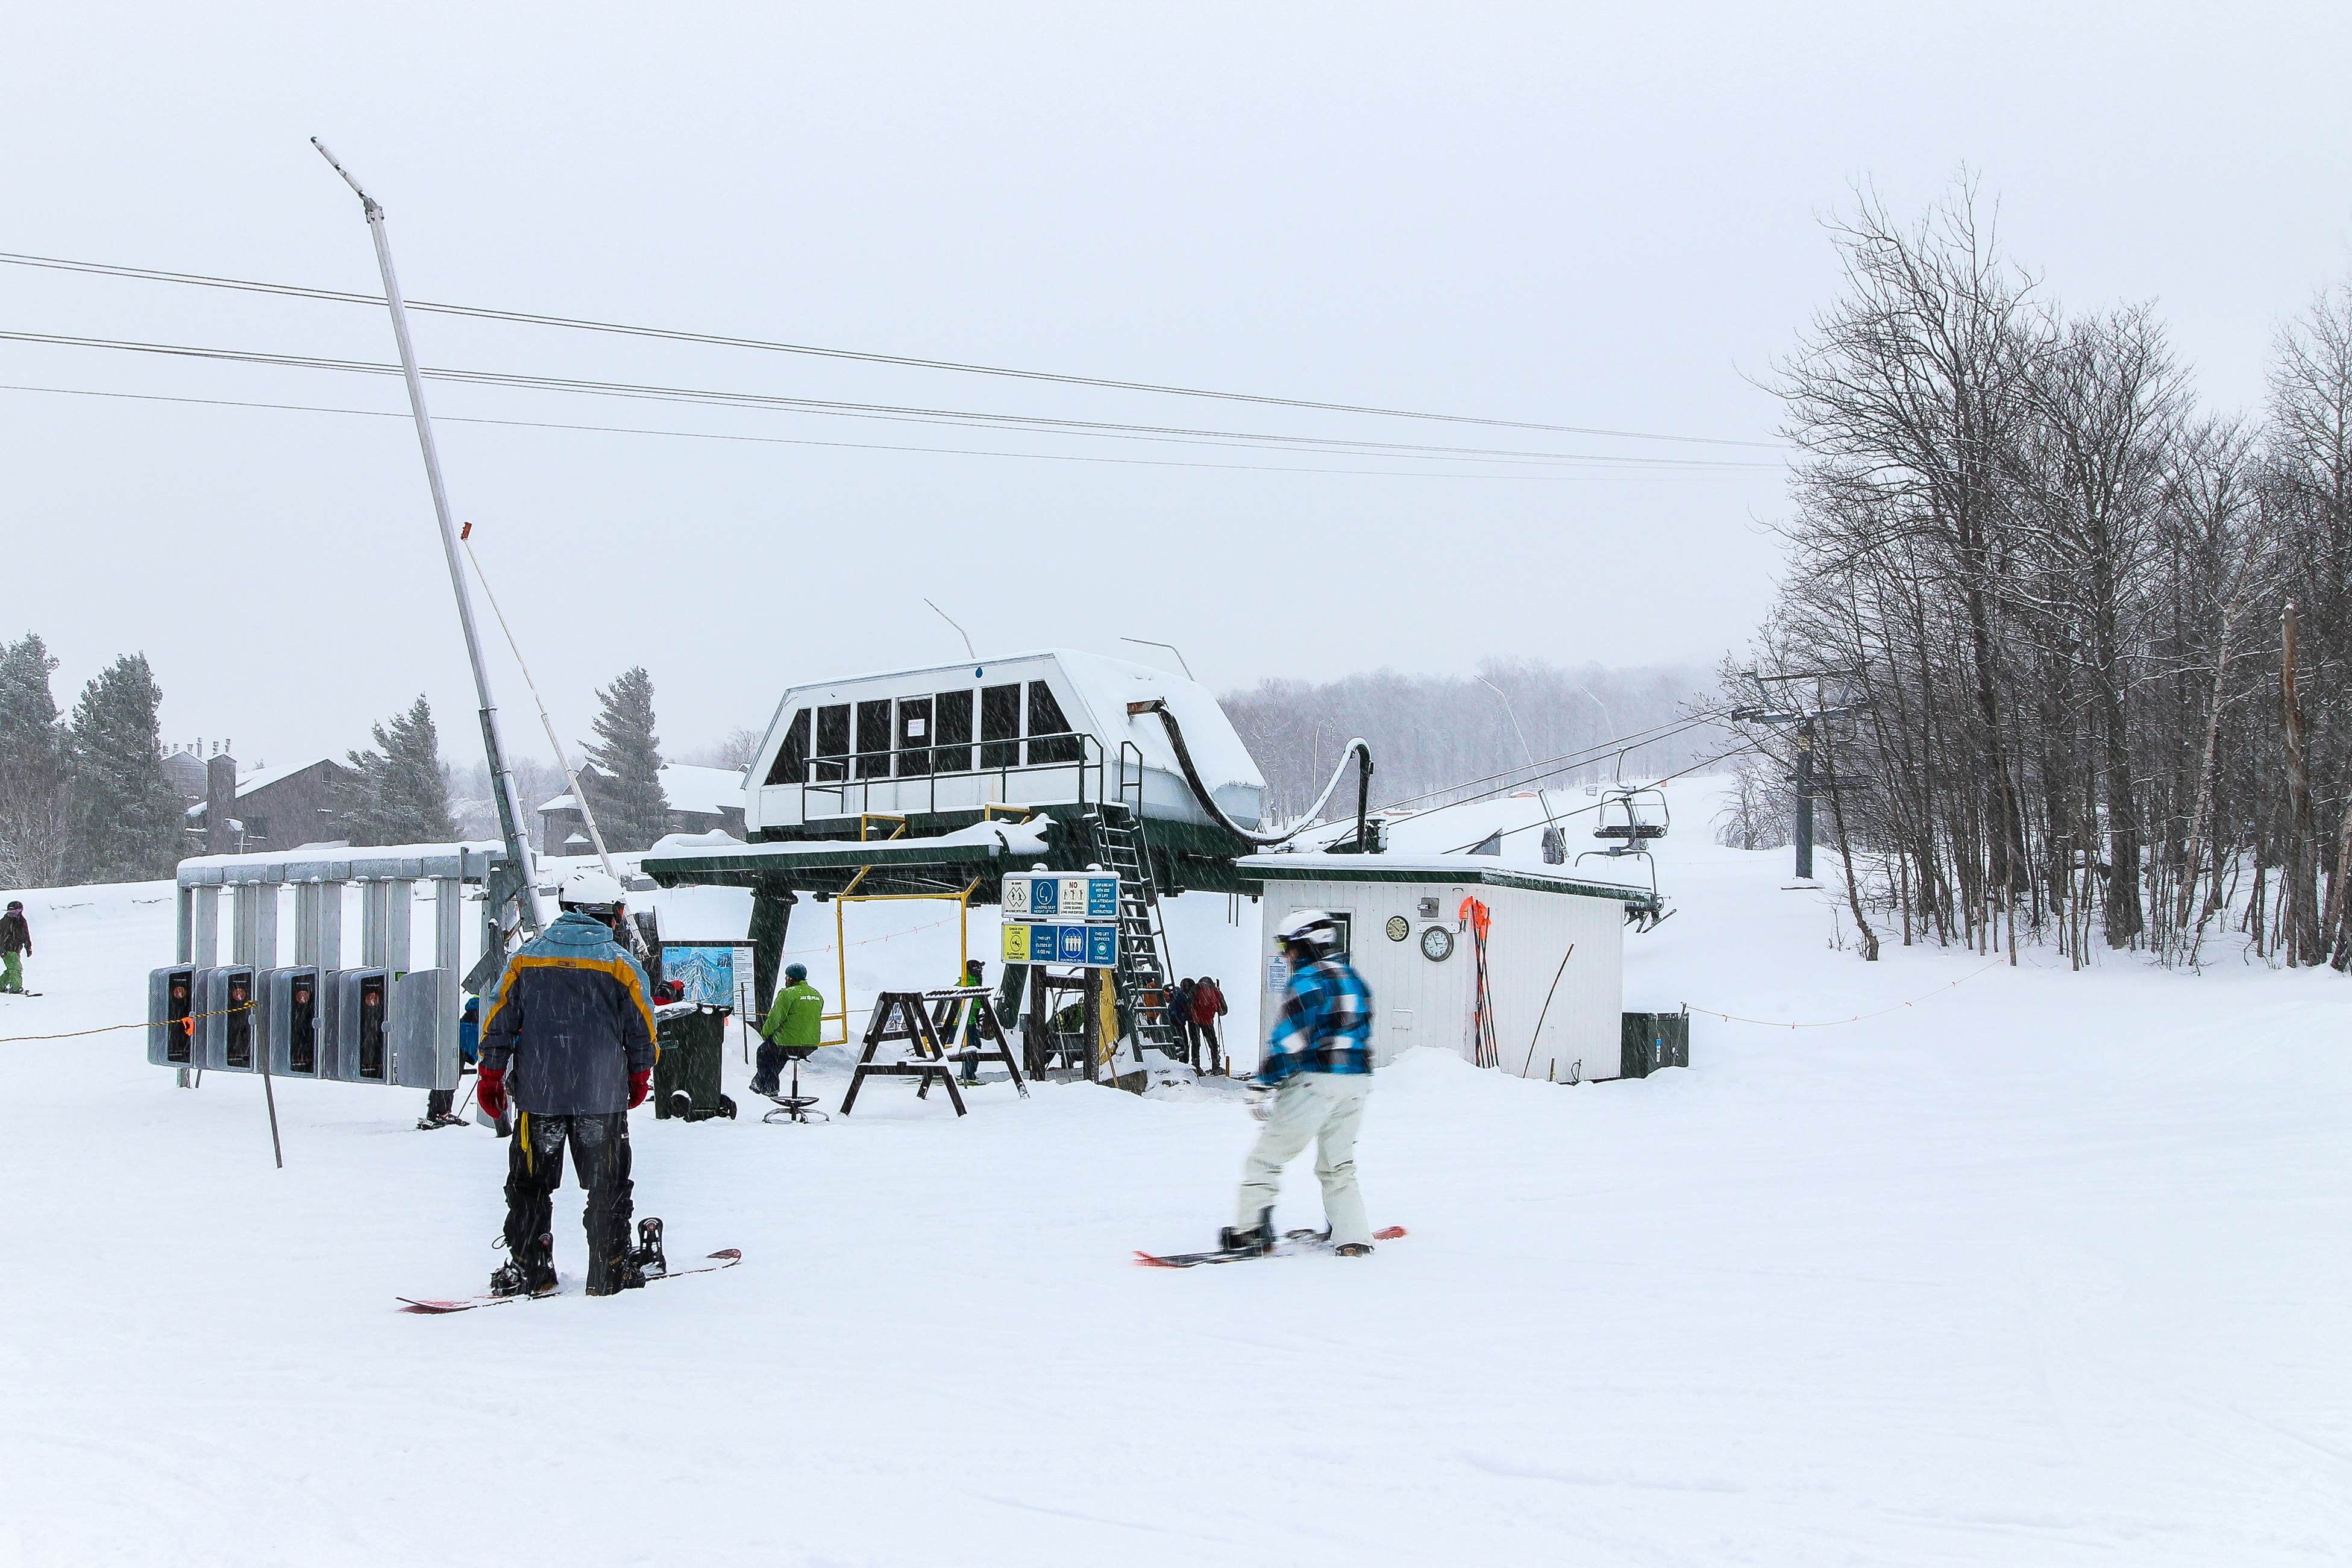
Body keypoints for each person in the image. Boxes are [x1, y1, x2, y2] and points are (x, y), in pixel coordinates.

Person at [476, 867, 660, 1298]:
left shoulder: (525, 959)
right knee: (607, 1183)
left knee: (529, 1185)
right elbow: (643, 1030)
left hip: (538, 1095)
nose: (617, 922)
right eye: (616, 913)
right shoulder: (622, 965)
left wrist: (490, 1075)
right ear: (602, 914)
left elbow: (498, 1022)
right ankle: (609, 1266)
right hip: (601, 1095)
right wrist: (637, 1075)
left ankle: (531, 1266)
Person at [1224, 909, 1376, 1258]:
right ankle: (1352, 1236)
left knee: (1266, 1159)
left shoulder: (1308, 980)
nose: (1286, 955)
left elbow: (1291, 1039)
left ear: (1308, 944)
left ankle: (1250, 1232)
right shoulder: (1353, 979)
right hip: (1356, 1082)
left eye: (1288, 946)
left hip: (1314, 1081)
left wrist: (1265, 1082)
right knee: (1338, 1164)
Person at [754, 962, 826, 1096]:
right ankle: (765, 1084)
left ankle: (766, 1084)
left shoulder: (787, 994)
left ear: (791, 979)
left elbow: (775, 1018)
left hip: (788, 1043)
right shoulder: (817, 995)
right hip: (811, 1044)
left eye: (787, 977)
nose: (785, 980)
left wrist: (765, 1034)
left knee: (763, 1051)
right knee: (780, 1056)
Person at [1191, 974, 1228, 1076]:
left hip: (1194, 1019)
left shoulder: (1196, 988)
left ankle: (1196, 1067)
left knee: (1196, 1042)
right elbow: (1224, 1011)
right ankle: (1215, 1066)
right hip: (1207, 1020)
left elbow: (1189, 1003)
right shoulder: (1215, 991)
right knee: (1213, 1043)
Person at [0, 900, 30, 994]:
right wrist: (2, 949)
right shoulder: (5, 922)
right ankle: (16, 988)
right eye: (10, 912)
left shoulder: (22, 921)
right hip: (7, 949)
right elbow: (1, 937)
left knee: (11, 970)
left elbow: (26, 935)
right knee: (16, 969)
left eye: (14, 912)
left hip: (16, 949)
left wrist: (28, 947)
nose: (12, 914)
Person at [1173, 977, 1200, 1065]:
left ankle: (1182, 1063)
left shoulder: (1178, 994)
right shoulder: (1182, 996)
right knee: (1183, 1044)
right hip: (1177, 1022)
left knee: (1182, 1044)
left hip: (1177, 1021)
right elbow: (1185, 1010)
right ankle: (1183, 1064)